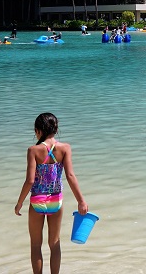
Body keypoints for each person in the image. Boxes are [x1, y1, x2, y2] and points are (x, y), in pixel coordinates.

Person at [15, 112, 88, 274]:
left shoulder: (33, 150)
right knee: (54, 243)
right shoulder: (65, 148)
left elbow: (30, 181)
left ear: (37, 130)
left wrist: (19, 202)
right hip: (56, 201)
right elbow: (70, 176)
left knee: (35, 244)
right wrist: (81, 201)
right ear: (55, 129)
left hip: (37, 201)